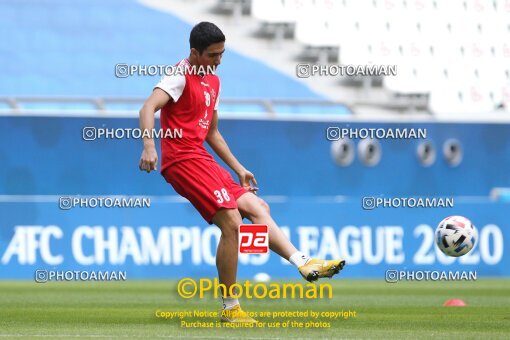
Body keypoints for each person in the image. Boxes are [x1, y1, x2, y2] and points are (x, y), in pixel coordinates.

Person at [138, 22, 345, 323]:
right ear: (194, 53)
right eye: (212, 55)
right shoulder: (178, 75)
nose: (218, 61)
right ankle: (230, 309)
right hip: (181, 161)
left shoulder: (214, 82)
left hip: (201, 157)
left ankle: (304, 262)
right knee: (232, 222)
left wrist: (239, 169)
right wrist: (149, 146)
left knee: (256, 206)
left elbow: (212, 133)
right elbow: (147, 108)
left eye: (222, 54)